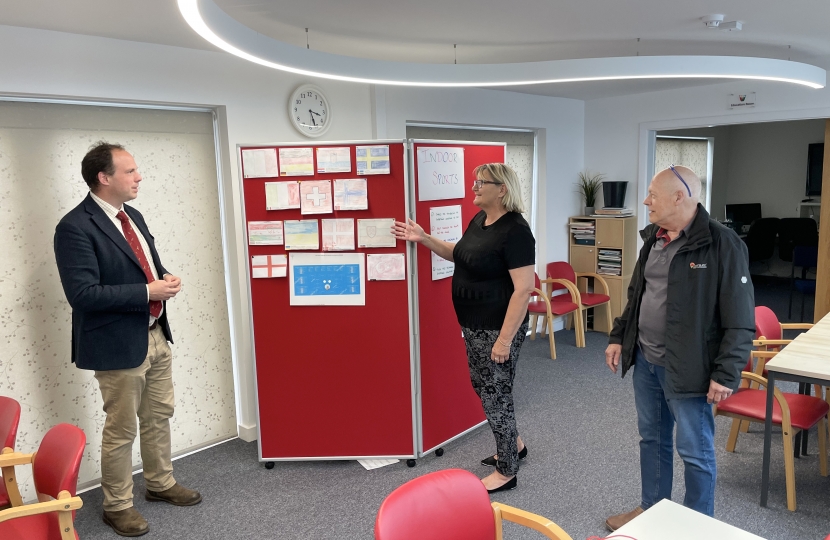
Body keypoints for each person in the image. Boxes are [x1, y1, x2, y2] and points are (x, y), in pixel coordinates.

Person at [54, 142, 201, 537]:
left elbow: (145, 265)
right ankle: (117, 506)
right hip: (117, 343)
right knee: (121, 429)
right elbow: (83, 294)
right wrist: (146, 293)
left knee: (158, 417)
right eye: (130, 171)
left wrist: (166, 278)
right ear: (104, 178)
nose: (139, 177)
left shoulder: (130, 215)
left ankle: (160, 484)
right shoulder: (74, 227)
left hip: (155, 334)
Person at [604, 165, 754, 530]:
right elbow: (638, 295)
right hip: (647, 361)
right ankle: (652, 511)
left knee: (695, 451)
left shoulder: (722, 243)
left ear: (679, 197)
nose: (645, 201)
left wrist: (726, 372)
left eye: (653, 195)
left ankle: (697, 527)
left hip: (691, 370)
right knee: (652, 440)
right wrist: (618, 336)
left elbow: (740, 317)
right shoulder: (653, 238)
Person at [393, 163, 535, 493]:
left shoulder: (516, 231)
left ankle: (507, 469)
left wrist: (503, 340)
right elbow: (460, 255)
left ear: (501, 189)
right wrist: (424, 237)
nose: (474, 187)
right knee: (486, 389)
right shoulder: (480, 221)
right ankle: (515, 444)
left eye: (481, 183)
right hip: (474, 326)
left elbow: (524, 289)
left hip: (498, 329)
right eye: (474, 182)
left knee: (495, 395)